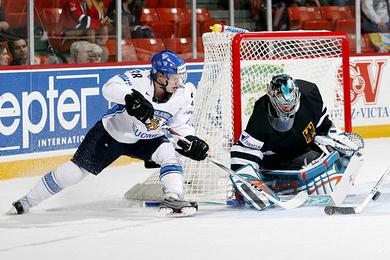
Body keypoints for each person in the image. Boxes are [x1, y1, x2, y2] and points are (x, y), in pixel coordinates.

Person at [8, 50, 209, 217]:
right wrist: (129, 97)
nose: (179, 82)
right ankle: (27, 201)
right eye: (175, 77)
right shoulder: (138, 79)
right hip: (112, 134)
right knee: (73, 173)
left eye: (181, 77)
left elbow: (181, 125)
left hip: (148, 138)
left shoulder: (183, 94)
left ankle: (173, 198)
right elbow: (109, 87)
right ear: (159, 76)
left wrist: (189, 140)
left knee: (171, 156)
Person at [230, 74, 362, 205]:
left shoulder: (310, 94)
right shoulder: (261, 115)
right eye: (283, 104)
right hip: (276, 162)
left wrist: (335, 136)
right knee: (327, 177)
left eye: (291, 103)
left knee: (336, 162)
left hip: (303, 150)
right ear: (272, 98)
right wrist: (251, 184)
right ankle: (281, 184)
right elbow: (245, 154)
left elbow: (322, 125)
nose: (288, 108)